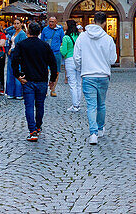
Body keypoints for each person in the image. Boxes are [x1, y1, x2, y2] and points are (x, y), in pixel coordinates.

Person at [74, 11, 117, 145]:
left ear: (93, 21)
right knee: (101, 104)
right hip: (103, 75)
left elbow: (76, 57)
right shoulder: (108, 39)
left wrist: (82, 68)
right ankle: (100, 128)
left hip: (88, 75)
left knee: (91, 106)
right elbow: (112, 59)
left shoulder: (82, 37)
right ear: (104, 23)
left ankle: (93, 133)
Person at [10, 21, 58, 142]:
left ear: (28, 32)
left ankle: (32, 131)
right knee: (40, 105)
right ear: (39, 33)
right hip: (42, 79)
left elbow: (14, 61)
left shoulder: (21, 45)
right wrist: (52, 80)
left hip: (28, 79)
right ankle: (38, 126)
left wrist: (17, 75)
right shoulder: (45, 45)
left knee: (29, 106)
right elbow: (53, 64)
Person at [39, 16, 65, 97]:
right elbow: (42, 41)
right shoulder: (45, 30)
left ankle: (53, 89)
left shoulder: (60, 30)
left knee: (56, 71)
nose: (51, 23)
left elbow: (62, 41)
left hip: (56, 53)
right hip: (46, 53)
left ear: (56, 22)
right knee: (45, 71)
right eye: (50, 21)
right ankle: (45, 89)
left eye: (53, 22)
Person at [60, 20, 82, 112]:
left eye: (65, 24)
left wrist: (61, 47)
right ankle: (78, 103)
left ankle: (75, 105)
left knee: (72, 83)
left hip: (69, 60)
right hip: (79, 60)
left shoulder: (66, 37)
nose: (64, 25)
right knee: (78, 83)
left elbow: (63, 51)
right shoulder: (79, 36)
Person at [4, 21, 27, 99]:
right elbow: (6, 30)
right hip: (11, 55)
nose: (16, 25)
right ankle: (11, 92)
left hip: (18, 55)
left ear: (21, 24)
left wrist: (12, 50)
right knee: (10, 73)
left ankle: (19, 93)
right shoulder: (14, 32)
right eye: (15, 23)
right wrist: (12, 26)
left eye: (18, 23)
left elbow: (21, 45)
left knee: (17, 72)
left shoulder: (22, 34)